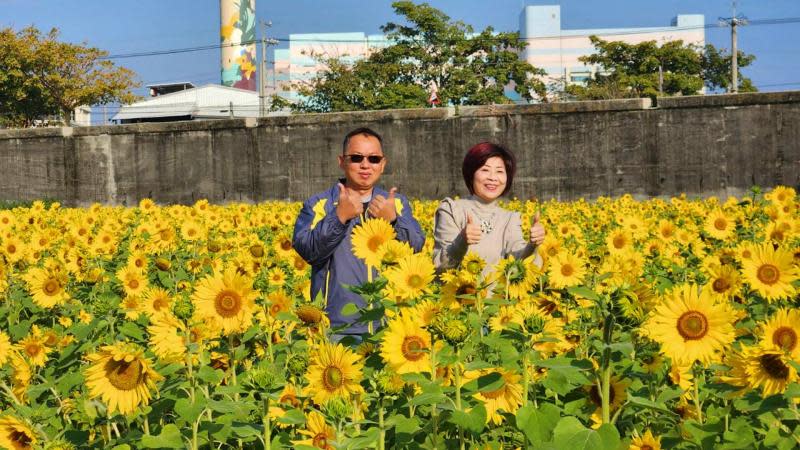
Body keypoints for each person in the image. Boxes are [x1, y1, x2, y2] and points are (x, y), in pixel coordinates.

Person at [293, 127, 425, 336]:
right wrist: (338, 217)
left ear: (383, 164)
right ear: (342, 161)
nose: (365, 165)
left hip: (390, 324)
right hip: (337, 326)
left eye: (373, 159)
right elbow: (308, 251)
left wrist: (393, 220)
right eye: (356, 158)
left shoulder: (396, 204)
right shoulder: (320, 204)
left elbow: (416, 247)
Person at [433, 142, 545, 276]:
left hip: (499, 297)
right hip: (459, 295)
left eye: (499, 171)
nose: (493, 178)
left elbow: (518, 261)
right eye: (485, 170)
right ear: (471, 173)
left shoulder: (509, 218)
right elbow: (440, 267)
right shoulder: (452, 210)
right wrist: (461, 241)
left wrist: (533, 245)